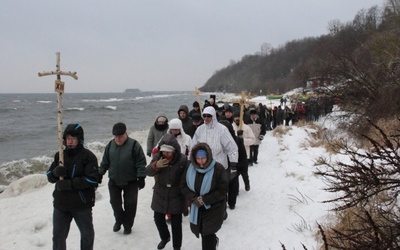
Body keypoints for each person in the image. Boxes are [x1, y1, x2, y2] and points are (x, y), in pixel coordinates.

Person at [46, 123, 100, 250]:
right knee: (58, 236)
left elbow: (92, 180)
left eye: (73, 139)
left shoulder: (88, 156)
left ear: (79, 140)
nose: (70, 142)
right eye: (68, 139)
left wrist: (69, 184)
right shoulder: (59, 155)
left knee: (87, 235)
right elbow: (49, 176)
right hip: (61, 204)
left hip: (81, 204)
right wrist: (55, 173)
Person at [99, 122, 147, 235]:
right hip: (114, 180)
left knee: (130, 204)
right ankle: (119, 219)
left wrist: (141, 177)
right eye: (115, 136)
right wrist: (100, 173)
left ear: (126, 133)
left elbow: (141, 163)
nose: (118, 139)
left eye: (120, 136)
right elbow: (105, 162)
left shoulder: (134, 145)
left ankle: (128, 225)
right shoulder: (110, 145)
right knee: (115, 203)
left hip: (131, 181)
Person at [180, 143, 228, 250]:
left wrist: (204, 200)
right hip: (196, 207)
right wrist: (194, 198)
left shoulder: (218, 169)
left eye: (203, 158)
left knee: (208, 234)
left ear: (208, 157)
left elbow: (222, 190)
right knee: (202, 230)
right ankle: (213, 241)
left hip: (213, 208)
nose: (200, 161)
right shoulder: (190, 168)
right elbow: (182, 185)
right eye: (198, 158)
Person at [145, 134, 189, 250]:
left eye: (169, 152)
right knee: (158, 219)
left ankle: (177, 247)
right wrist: (155, 166)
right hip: (160, 192)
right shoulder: (158, 157)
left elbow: (187, 178)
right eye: (164, 152)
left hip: (177, 194)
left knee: (176, 224)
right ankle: (165, 237)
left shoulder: (183, 160)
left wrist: (187, 195)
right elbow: (147, 172)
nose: (166, 154)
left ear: (175, 150)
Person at [191, 106, 238, 172]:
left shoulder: (222, 129)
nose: (206, 118)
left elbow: (231, 147)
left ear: (213, 116)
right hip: (203, 167)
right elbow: (193, 147)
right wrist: (191, 161)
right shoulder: (200, 129)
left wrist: (233, 165)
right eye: (204, 116)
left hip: (219, 167)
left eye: (209, 116)